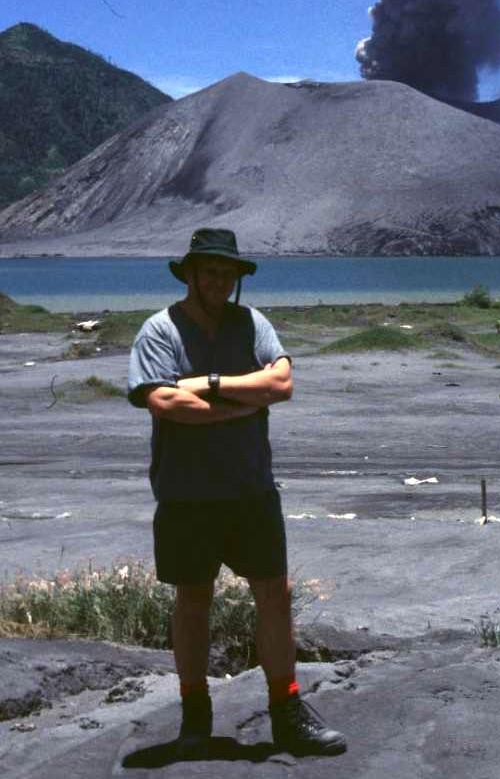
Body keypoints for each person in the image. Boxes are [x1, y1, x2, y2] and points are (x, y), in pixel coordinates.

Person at [128, 228, 346, 759]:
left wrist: (208, 383)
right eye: (210, 272)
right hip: (186, 495)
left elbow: (282, 385)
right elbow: (166, 403)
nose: (220, 281)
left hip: (251, 490)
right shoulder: (159, 331)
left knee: (274, 596)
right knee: (193, 601)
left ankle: (287, 711)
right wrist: (242, 404)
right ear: (191, 274)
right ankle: (195, 717)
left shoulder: (253, 323)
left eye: (228, 273)